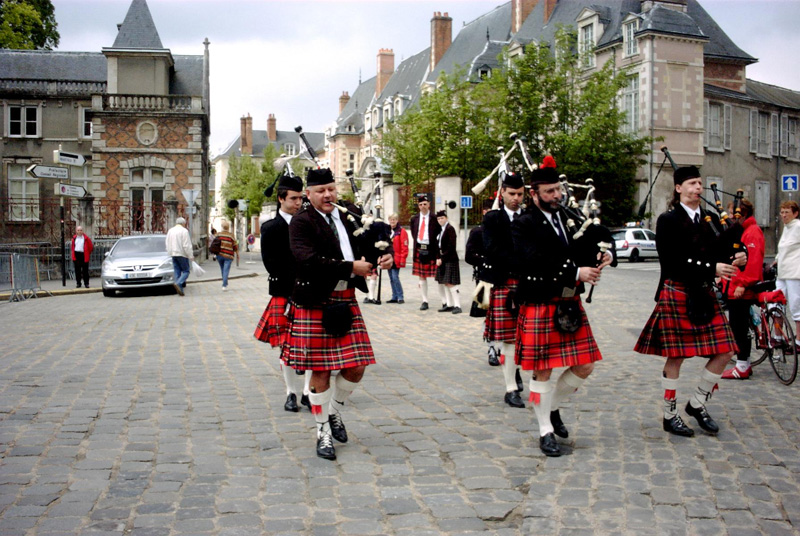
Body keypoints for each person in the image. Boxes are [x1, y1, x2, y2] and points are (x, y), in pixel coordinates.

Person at [282, 168, 393, 460]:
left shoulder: (348, 214)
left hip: (346, 297)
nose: (328, 194)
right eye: (320, 190)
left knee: (357, 366)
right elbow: (307, 260)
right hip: (315, 299)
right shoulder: (301, 222)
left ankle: (333, 412)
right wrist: (349, 267)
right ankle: (322, 433)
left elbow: (374, 237)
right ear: (309, 194)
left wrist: (385, 253)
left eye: (331, 188)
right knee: (320, 371)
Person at [635, 166, 745, 438]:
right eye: (693, 183)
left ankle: (697, 403)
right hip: (678, 290)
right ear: (678, 188)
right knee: (678, 355)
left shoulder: (708, 220)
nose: (698, 187)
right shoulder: (668, 220)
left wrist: (739, 255)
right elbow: (672, 261)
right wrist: (712, 268)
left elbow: (725, 250)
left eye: (700, 183)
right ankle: (670, 415)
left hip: (704, 292)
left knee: (727, 350)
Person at [512, 161, 612, 457]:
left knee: (585, 365)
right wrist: (575, 273)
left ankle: (552, 408)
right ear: (535, 194)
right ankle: (545, 430)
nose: (557, 195)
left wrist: (605, 254)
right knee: (542, 370)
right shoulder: (524, 223)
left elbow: (598, 236)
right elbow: (533, 261)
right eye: (550, 191)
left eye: (558, 189)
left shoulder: (569, 215)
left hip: (569, 302)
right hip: (541, 300)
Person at [255, 174, 310, 412]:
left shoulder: (310, 223)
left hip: (309, 290)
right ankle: (291, 393)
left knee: (310, 343)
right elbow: (271, 263)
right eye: (294, 198)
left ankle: (308, 391)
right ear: (281, 199)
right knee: (285, 345)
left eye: (300, 198)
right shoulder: (270, 228)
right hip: (284, 291)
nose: (298, 203)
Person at [481, 173, 525, 407]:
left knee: (525, 338)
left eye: (520, 194)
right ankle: (510, 389)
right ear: (503, 193)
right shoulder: (493, 219)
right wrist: (523, 260)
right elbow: (493, 250)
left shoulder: (530, 217)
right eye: (512, 194)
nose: (516, 198)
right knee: (509, 339)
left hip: (528, 283)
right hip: (505, 283)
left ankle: (514, 370)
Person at [721, 199, 764, 379]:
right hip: (734, 287)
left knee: (740, 328)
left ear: (742, 214)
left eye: (733, 213)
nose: (730, 217)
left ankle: (743, 366)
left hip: (741, 289)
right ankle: (742, 363)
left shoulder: (752, 232)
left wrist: (742, 284)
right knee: (736, 326)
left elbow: (752, 263)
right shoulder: (743, 231)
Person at [466, 199, 497, 364]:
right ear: (485, 212)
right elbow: (469, 256)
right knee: (489, 314)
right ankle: (492, 348)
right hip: (484, 279)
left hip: (504, 278)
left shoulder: (506, 230)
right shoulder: (478, 232)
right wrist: (487, 261)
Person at [775, 200, 800, 349]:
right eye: (782, 212)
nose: (784, 215)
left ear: (795, 213)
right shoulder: (787, 227)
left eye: (787, 212)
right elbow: (783, 249)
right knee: (776, 302)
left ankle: (798, 342)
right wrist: (775, 261)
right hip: (782, 272)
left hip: (794, 272)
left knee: (796, 307)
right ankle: (778, 336)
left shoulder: (797, 226)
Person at [409, 195, 441, 310]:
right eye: (421, 204)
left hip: (431, 248)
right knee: (421, 276)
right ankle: (424, 301)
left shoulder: (435, 217)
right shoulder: (414, 219)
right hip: (419, 248)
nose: (423, 206)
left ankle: (445, 301)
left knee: (439, 275)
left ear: (429, 205)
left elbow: (438, 233)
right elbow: (414, 233)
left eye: (425, 204)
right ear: (418, 206)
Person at [435, 210, 462, 314]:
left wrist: (442, 258)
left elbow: (451, 246)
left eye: (442, 218)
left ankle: (457, 305)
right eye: (438, 219)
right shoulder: (440, 229)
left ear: (446, 218)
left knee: (451, 283)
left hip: (450, 259)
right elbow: (437, 245)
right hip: (442, 258)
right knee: (445, 282)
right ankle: (449, 304)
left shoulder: (450, 229)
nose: (440, 220)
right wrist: (438, 257)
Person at [166, 216, 193, 296]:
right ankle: (178, 283)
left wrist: (169, 252)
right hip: (182, 254)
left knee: (177, 270)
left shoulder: (170, 231)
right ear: (183, 223)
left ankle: (179, 289)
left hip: (173, 254)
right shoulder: (184, 231)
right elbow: (186, 245)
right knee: (186, 271)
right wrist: (190, 255)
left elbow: (167, 243)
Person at [387, 213, 409, 304]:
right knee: (391, 278)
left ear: (397, 220)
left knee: (395, 277)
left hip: (397, 258)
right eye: (391, 219)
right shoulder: (387, 230)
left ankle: (400, 296)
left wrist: (403, 258)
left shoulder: (401, 231)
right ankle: (394, 296)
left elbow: (404, 246)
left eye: (394, 219)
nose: (392, 221)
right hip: (389, 257)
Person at [216, 221, 238, 291]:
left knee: (223, 269)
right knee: (226, 270)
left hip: (219, 255)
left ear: (222, 227)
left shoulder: (218, 235)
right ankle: (224, 285)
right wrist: (237, 253)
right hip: (228, 255)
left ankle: (224, 282)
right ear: (228, 227)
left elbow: (215, 244)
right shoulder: (231, 235)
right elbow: (235, 246)